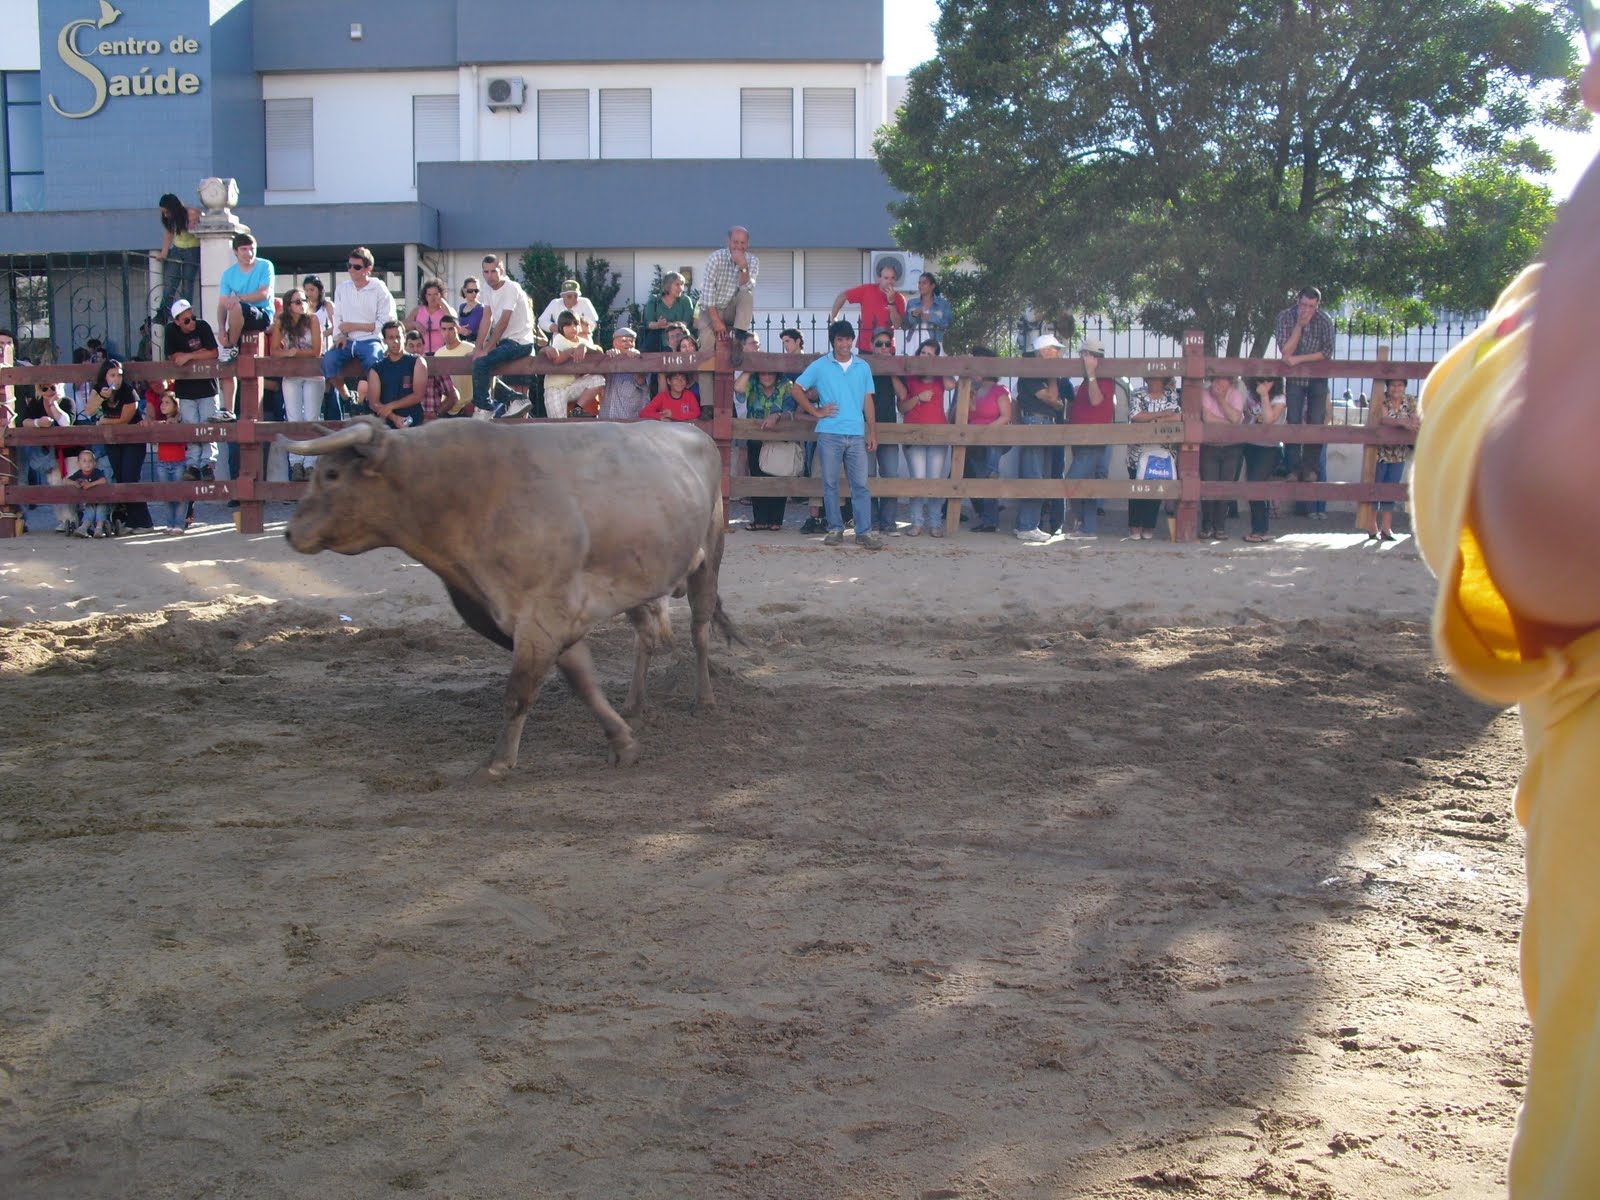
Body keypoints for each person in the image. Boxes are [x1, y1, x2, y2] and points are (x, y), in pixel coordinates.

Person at [789, 319, 884, 550]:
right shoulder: (821, 365)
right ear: (833, 341)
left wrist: (872, 431)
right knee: (830, 483)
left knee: (860, 485)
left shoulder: (862, 366)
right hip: (830, 433)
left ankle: (863, 532)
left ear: (853, 340)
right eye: (840, 339)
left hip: (856, 433)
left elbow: (868, 400)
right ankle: (835, 528)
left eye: (848, 339)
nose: (844, 344)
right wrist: (816, 412)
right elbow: (796, 389)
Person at [1013, 333, 1072, 543]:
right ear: (1045, 352)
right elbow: (1053, 399)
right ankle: (1027, 525)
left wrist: (1053, 397)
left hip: (1045, 423)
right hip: (1036, 423)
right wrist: (1053, 378)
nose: (1059, 354)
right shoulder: (1031, 373)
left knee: (1041, 474)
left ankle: (1029, 524)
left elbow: (1058, 403)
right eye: (1055, 350)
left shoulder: (1039, 374)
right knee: (1034, 475)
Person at [894, 339, 956, 537]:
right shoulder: (910, 377)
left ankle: (935, 523)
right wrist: (918, 398)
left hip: (938, 434)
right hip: (913, 434)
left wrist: (940, 365)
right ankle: (917, 522)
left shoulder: (939, 378)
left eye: (930, 355)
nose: (925, 357)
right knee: (918, 480)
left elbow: (951, 385)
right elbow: (902, 407)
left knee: (934, 480)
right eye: (923, 353)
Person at [322, 248, 396, 410]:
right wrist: (340, 336)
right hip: (347, 340)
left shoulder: (380, 289)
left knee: (374, 362)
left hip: (371, 340)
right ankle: (347, 397)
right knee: (328, 360)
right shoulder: (342, 288)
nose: (351, 270)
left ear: (368, 268)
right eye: (349, 266)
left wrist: (354, 326)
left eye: (356, 267)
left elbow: (385, 322)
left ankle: (372, 402)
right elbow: (338, 317)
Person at [1275, 286, 1335, 480]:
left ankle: (1310, 468)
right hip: (1295, 379)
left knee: (1316, 421)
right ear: (1297, 301)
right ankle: (1293, 468)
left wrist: (1299, 360)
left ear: (1317, 305)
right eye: (1303, 305)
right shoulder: (1285, 317)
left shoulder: (1324, 320)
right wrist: (1299, 327)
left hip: (1318, 378)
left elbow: (1327, 352)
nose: (1306, 310)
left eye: (1311, 306)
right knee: (1293, 419)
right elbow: (1286, 351)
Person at [87, 357, 153, 533]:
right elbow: (89, 410)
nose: (116, 379)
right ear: (105, 376)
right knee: (121, 478)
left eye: (119, 375)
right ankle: (131, 521)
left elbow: (124, 419)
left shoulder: (129, 392)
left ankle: (144, 522)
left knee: (131, 478)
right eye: (112, 375)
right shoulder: (99, 390)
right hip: (113, 441)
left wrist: (103, 421)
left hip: (133, 438)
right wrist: (101, 397)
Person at [472, 254, 537, 418]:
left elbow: (503, 321)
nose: (489, 276)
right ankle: (515, 398)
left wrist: (487, 349)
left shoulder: (511, 287)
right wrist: (477, 349)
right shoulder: (487, 289)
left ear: (502, 271)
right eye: (486, 272)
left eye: (493, 271)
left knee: (482, 363)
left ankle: (485, 407)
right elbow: (486, 318)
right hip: (506, 342)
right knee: (478, 363)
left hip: (520, 342)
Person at [1065, 338, 1117, 539]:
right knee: (1087, 483)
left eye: (1083, 354)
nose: (1080, 358)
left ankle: (1084, 524)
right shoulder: (1088, 379)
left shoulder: (1102, 378)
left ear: (1089, 356)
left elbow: (1096, 401)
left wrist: (1091, 373)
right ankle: (1087, 527)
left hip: (1092, 439)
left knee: (1073, 481)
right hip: (1081, 438)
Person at [163, 299, 220, 481]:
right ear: (177, 322)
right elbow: (174, 356)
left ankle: (208, 464)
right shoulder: (171, 331)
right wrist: (198, 354)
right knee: (191, 428)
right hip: (185, 389)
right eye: (186, 320)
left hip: (207, 387)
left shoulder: (203, 326)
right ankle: (193, 465)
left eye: (192, 317)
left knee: (208, 427)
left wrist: (189, 356)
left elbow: (213, 353)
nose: (192, 322)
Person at [271, 288, 324, 480]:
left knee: (311, 418)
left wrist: (294, 354)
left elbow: (317, 351)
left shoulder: (313, 320)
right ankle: (295, 463)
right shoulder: (281, 322)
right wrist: (287, 353)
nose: (302, 304)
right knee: (293, 419)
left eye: (303, 300)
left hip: (313, 373)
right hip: (291, 374)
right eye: (297, 301)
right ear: (288, 305)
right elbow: (274, 350)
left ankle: (310, 464)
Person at [736, 369, 797, 530]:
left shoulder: (786, 385)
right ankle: (760, 520)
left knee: (779, 475)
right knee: (757, 476)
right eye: (763, 373)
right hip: (756, 438)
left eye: (771, 373)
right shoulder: (752, 383)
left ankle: (776, 520)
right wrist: (749, 369)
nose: (767, 376)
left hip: (779, 438)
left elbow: (790, 410)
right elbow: (738, 389)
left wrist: (776, 416)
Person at [12, 380, 73, 533]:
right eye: (44, 388)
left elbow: (66, 422)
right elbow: (25, 421)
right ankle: (64, 520)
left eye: (52, 387)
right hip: (47, 452)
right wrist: (38, 423)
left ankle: (75, 519)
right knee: (54, 483)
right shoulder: (36, 403)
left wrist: (53, 404)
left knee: (70, 484)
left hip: (68, 451)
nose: (48, 391)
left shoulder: (67, 402)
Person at [964, 347, 1013, 533]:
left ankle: (990, 520)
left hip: (993, 440)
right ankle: (988, 518)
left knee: (989, 475)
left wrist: (986, 432)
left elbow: (1005, 416)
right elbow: (969, 414)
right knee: (980, 477)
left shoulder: (1000, 390)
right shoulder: (974, 390)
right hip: (975, 441)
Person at [1127, 374, 1181, 540]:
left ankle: (1149, 526)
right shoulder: (1137, 393)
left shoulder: (1171, 395)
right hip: (1138, 450)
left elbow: (1178, 416)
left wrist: (1154, 422)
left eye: (1158, 379)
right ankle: (1134, 526)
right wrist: (1162, 414)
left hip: (1162, 450)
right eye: (1151, 379)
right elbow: (1135, 415)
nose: (1154, 382)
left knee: (1157, 487)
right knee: (1136, 488)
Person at [1365, 376, 1419, 542]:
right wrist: (1402, 422)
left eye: (1400, 385)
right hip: (1379, 451)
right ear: (1387, 387)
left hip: (1399, 452)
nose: (1396, 388)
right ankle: (1371, 525)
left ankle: (1386, 528)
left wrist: (1410, 422)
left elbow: (1415, 418)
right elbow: (1382, 419)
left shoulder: (1410, 401)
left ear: (1405, 386)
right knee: (1376, 488)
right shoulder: (1380, 399)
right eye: (1393, 385)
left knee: (1391, 489)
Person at [1199, 374, 1246, 540]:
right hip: (1209, 446)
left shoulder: (1236, 394)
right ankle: (1206, 526)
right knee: (1208, 487)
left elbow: (1235, 418)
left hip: (1232, 447)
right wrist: (1231, 423)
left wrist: (1220, 399)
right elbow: (1207, 419)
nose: (1217, 382)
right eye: (1215, 378)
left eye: (1222, 378)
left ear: (1230, 381)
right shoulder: (1205, 393)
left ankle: (1220, 527)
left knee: (1225, 488)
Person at [215, 232, 274, 363]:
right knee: (234, 307)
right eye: (244, 249)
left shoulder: (265, 265)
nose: (249, 253)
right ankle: (229, 346)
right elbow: (223, 303)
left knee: (236, 306)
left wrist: (239, 298)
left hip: (262, 315)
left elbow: (264, 293)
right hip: (239, 318)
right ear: (235, 251)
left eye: (252, 249)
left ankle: (230, 347)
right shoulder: (228, 274)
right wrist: (221, 329)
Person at [697, 226, 759, 349]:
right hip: (712, 308)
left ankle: (739, 336)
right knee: (707, 347)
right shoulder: (715, 258)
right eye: (735, 242)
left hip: (731, 309)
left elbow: (746, 288)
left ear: (747, 244)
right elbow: (708, 294)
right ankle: (707, 361)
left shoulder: (753, 261)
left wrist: (743, 267)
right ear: (728, 242)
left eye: (742, 243)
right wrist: (716, 321)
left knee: (747, 295)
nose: (739, 246)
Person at [1241, 377, 1287, 542]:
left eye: (1269, 380)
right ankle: (1258, 529)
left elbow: (1268, 420)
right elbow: (1246, 418)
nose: (1264, 383)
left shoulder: (1279, 398)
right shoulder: (1250, 394)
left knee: (1256, 485)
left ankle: (1260, 530)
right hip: (1250, 445)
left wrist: (1264, 395)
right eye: (1261, 379)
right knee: (1252, 487)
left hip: (1270, 448)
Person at [866, 329, 903, 534]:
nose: (883, 348)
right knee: (868, 476)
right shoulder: (863, 366)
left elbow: (902, 395)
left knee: (891, 475)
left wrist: (890, 371)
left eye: (887, 344)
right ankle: (872, 523)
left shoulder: (894, 368)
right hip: (865, 428)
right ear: (871, 346)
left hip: (889, 428)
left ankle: (888, 523)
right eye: (879, 344)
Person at [830, 259, 907, 353]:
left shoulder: (899, 298)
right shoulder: (867, 290)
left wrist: (891, 302)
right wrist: (834, 318)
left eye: (892, 278)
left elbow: (897, 324)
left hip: (886, 347)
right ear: (879, 278)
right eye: (886, 278)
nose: (889, 281)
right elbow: (843, 296)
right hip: (865, 345)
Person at [542, 310, 606, 419]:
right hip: (555, 387)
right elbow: (557, 360)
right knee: (558, 425)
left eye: (575, 324)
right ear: (561, 328)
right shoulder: (559, 339)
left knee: (599, 380)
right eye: (568, 325)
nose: (573, 328)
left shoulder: (582, 341)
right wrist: (572, 350)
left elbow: (599, 352)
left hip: (572, 385)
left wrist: (585, 347)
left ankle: (576, 410)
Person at [365, 321, 427, 429]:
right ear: (384, 341)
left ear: (404, 337)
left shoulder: (417, 362)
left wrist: (390, 406)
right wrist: (394, 418)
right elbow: (374, 403)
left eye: (398, 337)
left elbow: (418, 395)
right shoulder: (376, 369)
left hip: (413, 422)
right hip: (385, 426)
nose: (396, 341)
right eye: (391, 338)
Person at [154, 193, 200, 322]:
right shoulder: (171, 219)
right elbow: (169, 234)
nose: (165, 215)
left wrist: (195, 223)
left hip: (192, 251)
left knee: (187, 283)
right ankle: (163, 313)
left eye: (167, 212)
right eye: (163, 213)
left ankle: (185, 315)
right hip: (177, 249)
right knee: (170, 281)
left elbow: (202, 221)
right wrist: (164, 253)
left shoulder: (192, 213)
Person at [150, 391, 188, 534]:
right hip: (162, 462)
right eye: (162, 403)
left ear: (175, 405)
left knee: (179, 494)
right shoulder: (160, 423)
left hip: (179, 461)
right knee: (166, 495)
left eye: (167, 403)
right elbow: (154, 442)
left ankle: (179, 524)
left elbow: (185, 442)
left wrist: (175, 425)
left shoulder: (182, 422)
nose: (163, 405)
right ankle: (170, 524)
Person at [640, 271, 697, 354]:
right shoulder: (654, 300)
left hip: (681, 345)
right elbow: (648, 323)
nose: (681, 288)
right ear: (668, 285)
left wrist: (667, 325)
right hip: (657, 344)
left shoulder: (685, 301)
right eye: (677, 284)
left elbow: (686, 324)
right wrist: (658, 324)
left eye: (682, 285)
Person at [599, 327, 649, 420]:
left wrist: (636, 359)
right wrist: (609, 358)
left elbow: (641, 380)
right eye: (624, 341)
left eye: (631, 341)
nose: (628, 344)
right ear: (615, 343)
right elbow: (600, 380)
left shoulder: (640, 360)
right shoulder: (609, 360)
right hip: (606, 421)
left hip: (630, 423)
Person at [431, 314, 474, 417]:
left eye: (451, 329)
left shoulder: (471, 349)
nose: (447, 333)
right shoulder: (438, 354)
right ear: (440, 330)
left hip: (468, 408)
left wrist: (474, 403)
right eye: (444, 329)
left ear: (457, 329)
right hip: (448, 408)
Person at [902, 271, 952, 352]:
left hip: (935, 343)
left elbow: (947, 323)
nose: (920, 286)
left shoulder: (943, 304)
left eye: (924, 283)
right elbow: (905, 325)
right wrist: (913, 315)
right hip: (913, 342)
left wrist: (930, 318)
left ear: (932, 286)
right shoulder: (911, 303)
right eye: (919, 283)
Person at [66, 449, 111, 537]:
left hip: (100, 500)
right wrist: (75, 483)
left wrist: (90, 484)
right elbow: (66, 481)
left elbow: (103, 480)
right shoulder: (78, 474)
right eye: (84, 461)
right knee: (89, 509)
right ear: (79, 464)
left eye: (90, 461)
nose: (87, 463)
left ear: (94, 463)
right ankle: (83, 528)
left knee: (100, 509)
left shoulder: (96, 472)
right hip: (88, 501)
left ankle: (99, 528)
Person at [456, 277, 486, 342]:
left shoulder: (482, 308)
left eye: (476, 291)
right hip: (462, 344)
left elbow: (486, 333)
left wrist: (469, 332)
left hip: (476, 344)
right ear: (464, 291)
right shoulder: (461, 307)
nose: (474, 293)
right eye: (470, 291)